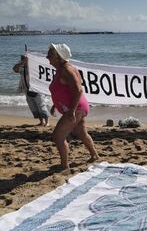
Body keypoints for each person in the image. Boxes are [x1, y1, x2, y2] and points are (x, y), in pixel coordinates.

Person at [47, 43, 99, 172]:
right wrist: (56, 104)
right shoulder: (62, 68)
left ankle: (64, 166)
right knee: (81, 132)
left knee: (58, 136)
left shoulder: (66, 70)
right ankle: (94, 155)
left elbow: (78, 90)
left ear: (59, 57)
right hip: (78, 107)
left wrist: (72, 111)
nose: (47, 56)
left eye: (50, 54)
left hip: (76, 108)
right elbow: (65, 90)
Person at [13, 55, 49, 126]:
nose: (23, 61)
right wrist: (22, 63)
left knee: (41, 107)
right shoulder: (22, 68)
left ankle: (47, 122)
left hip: (37, 90)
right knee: (33, 107)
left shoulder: (34, 68)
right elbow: (14, 69)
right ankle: (41, 122)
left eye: (25, 60)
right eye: (22, 60)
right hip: (27, 90)